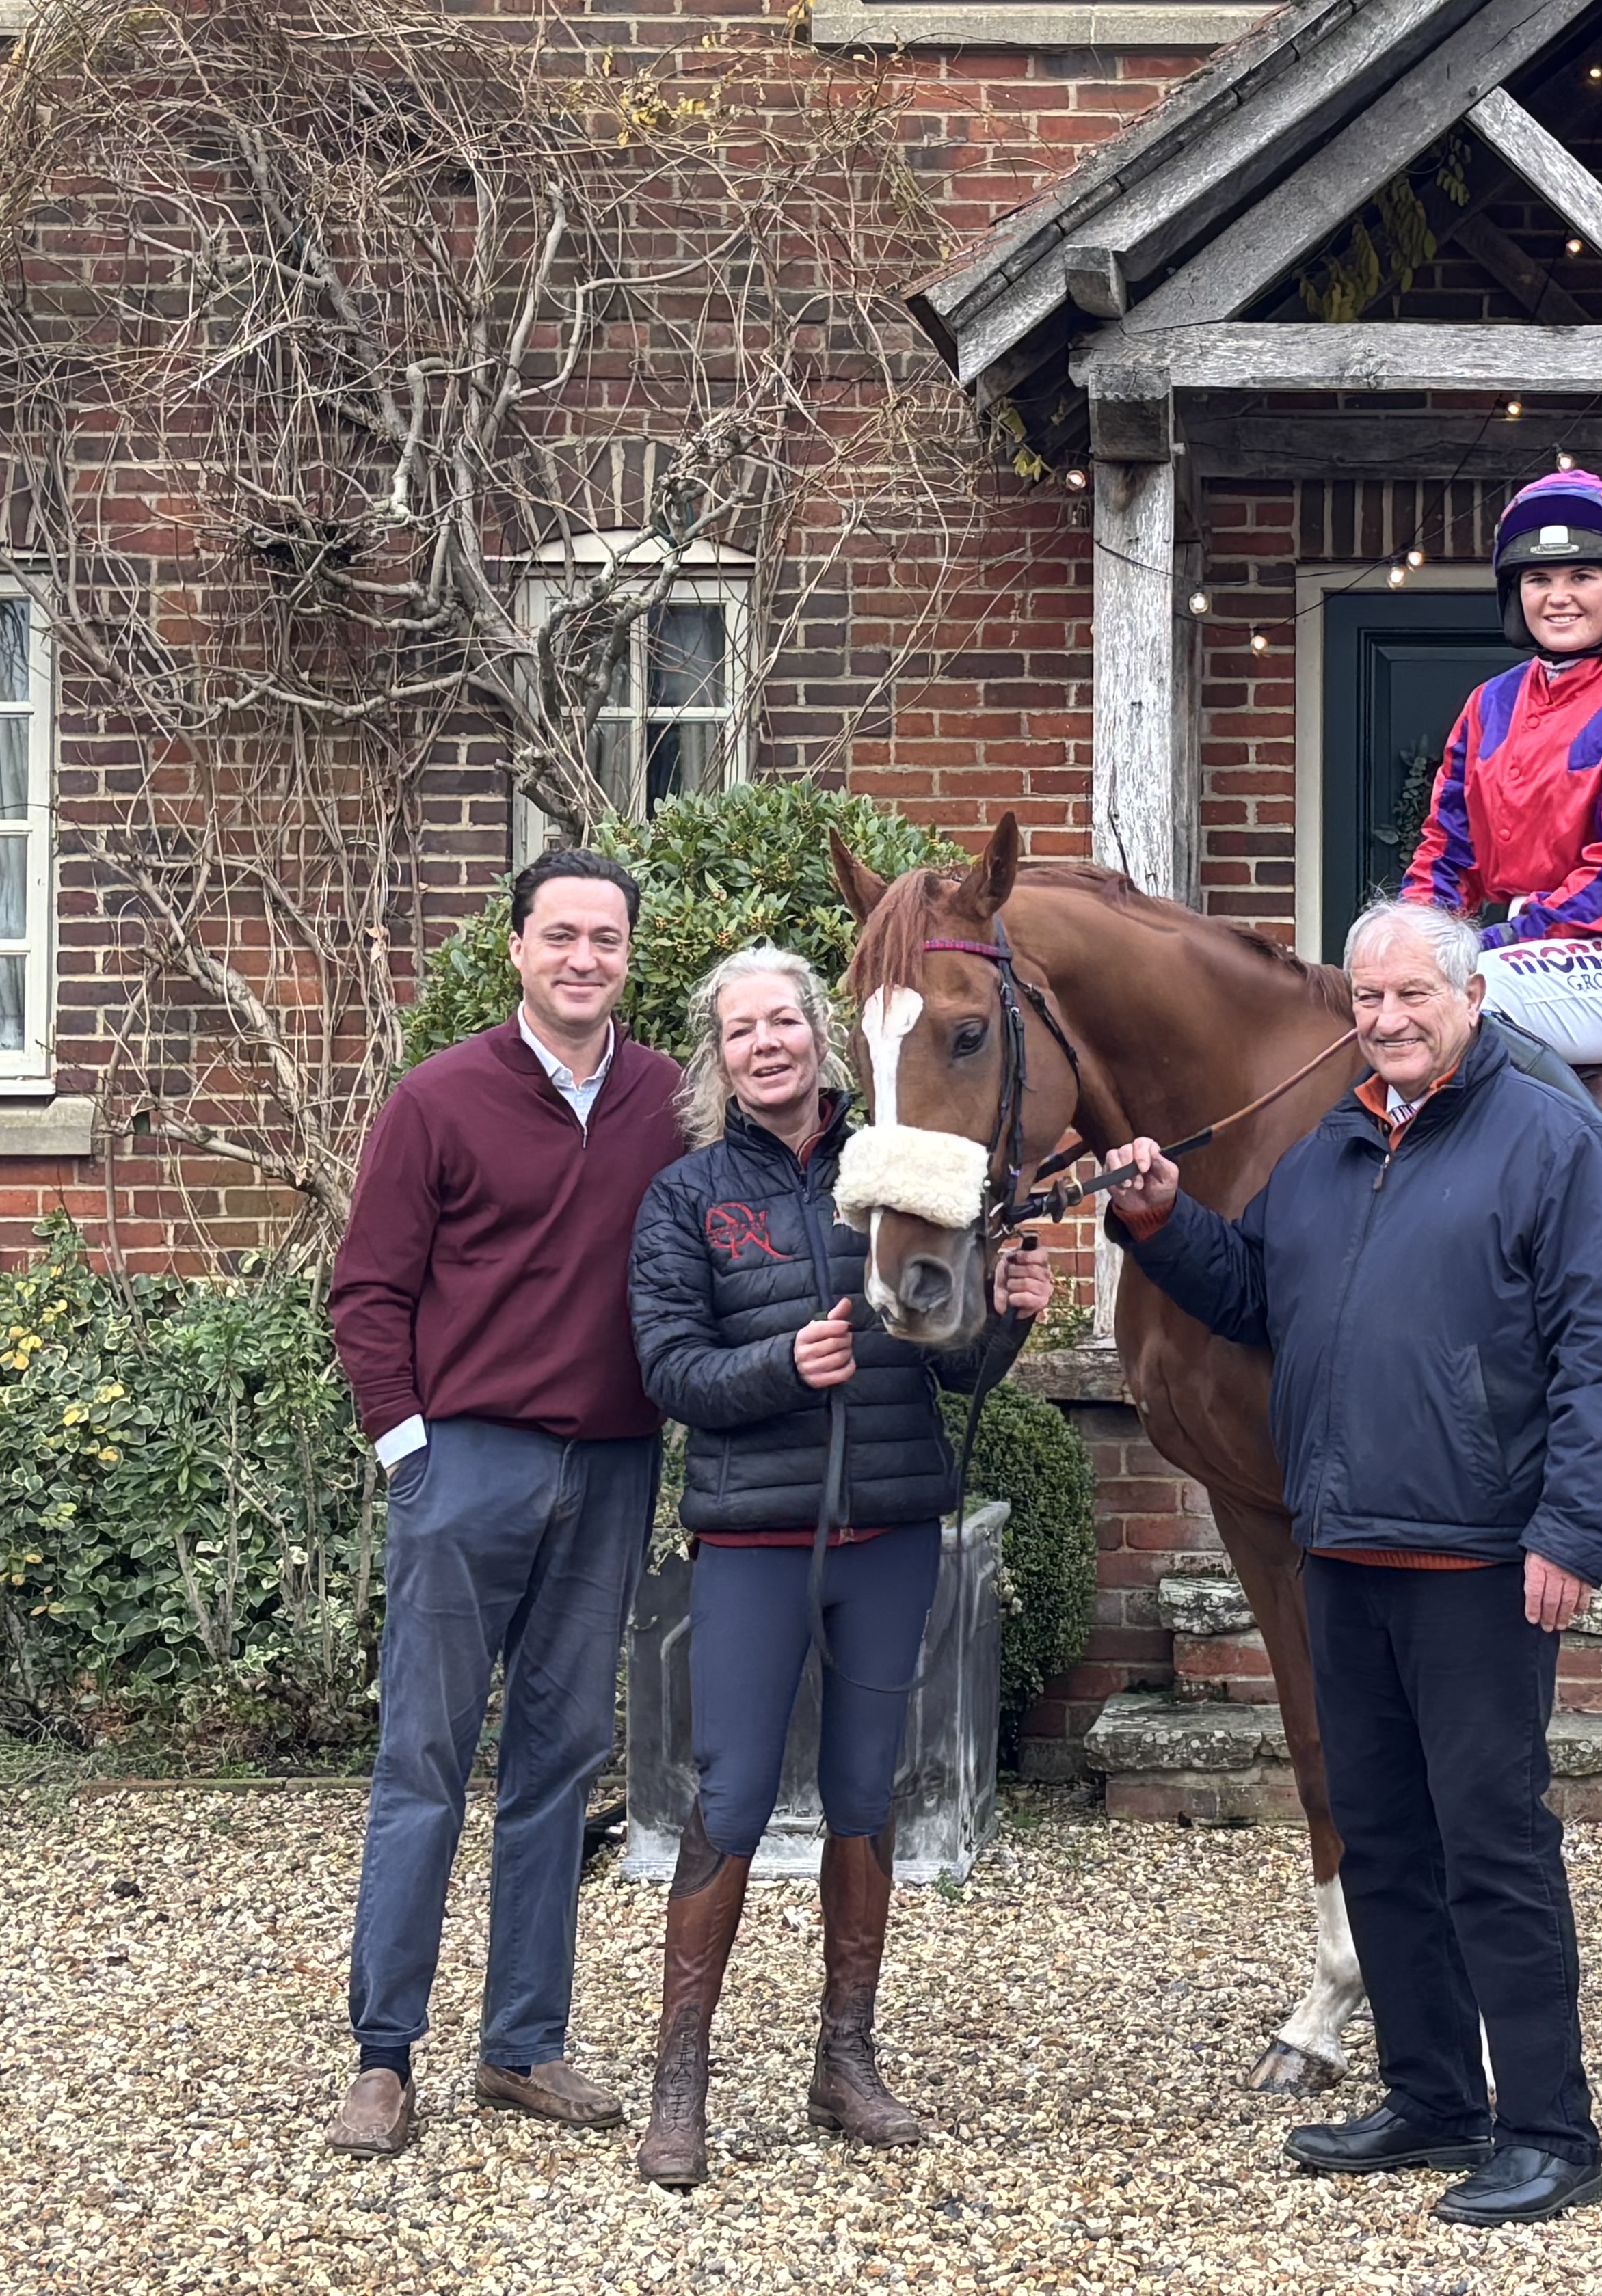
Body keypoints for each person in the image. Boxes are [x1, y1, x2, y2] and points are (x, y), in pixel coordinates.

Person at [1098, 895, 1602, 2229]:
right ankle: (1430, 2098)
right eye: (1367, 1000)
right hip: (1341, 1548)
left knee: (1494, 1845)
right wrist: (1165, 1219)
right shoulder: (1337, 1147)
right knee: (1387, 1839)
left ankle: (1548, 2129)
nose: (1389, 1021)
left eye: (1414, 996)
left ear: (1471, 1000)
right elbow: (1252, 1299)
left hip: (1476, 1558)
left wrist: (1572, 1534)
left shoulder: (1548, 1141)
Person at [624, 944, 1056, 2189]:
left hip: (891, 1529)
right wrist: (777, 1369)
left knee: (869, 1787)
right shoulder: (687, 1197)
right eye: (741, 1028)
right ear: (720, 1054)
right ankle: (681, 2078)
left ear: (821, 1034)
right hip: (753, 1540)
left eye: (785, 1021)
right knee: (735, 1789)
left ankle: (845, 2056)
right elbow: (668, 1367)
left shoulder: (901, 1169)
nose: (768, 1042)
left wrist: (1010, 1308)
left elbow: (953, 1362)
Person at [323, 846, 689, 2157]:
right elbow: (368, 1288)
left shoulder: (667, 1099)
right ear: (516, 948)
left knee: (558, 1759)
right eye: (560, 935)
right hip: (465, 1461)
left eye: (606, 938)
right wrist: (408, 1449)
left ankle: (524, 2043)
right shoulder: (438, 1098)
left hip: (609, 1465)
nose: (583, 957)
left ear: (628, 957)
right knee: (422, 1755)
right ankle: (383, 2054)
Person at [1401, 466, 1602, 1258]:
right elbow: (1448, 851)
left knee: (1469, 998)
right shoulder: (1489, 706)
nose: (1560, 595)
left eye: (1583, 574)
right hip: (1532, 943)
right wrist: (1410, 935)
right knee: (1394, 992)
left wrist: (1487, 947)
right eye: (1540, 578)